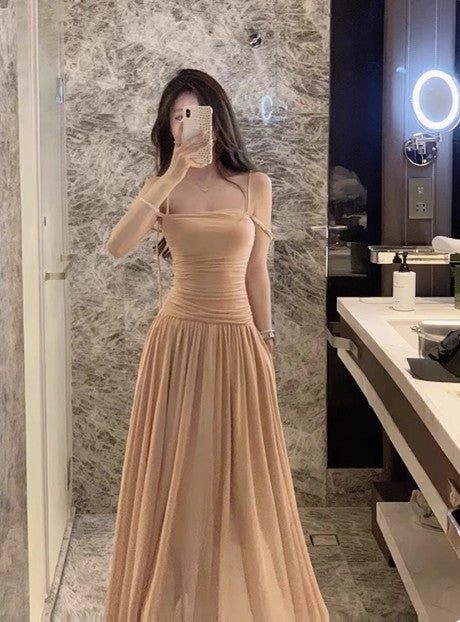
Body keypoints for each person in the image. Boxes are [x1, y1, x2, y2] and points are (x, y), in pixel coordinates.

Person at [103, 68, 329, 621]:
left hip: (237, 342)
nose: (186, 124)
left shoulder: (254, 185)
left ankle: (229, 601)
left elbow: (257, 272)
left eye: (194, 112)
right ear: (168, 126)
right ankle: (175, 597)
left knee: (239, 481)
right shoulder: (164, 185)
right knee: (177, 477)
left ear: (216, 118)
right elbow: (117, 245)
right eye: (177, 115)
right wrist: (170, 175)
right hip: (176, 344)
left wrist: (266, 343)